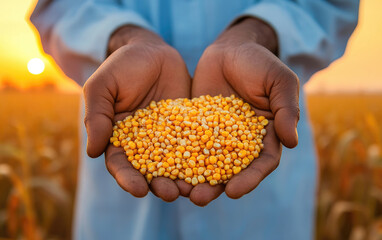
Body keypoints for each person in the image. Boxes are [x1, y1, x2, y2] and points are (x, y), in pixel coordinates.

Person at [30, 1, 359, 239]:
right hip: (122, 210)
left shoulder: (242, 128)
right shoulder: (142, 131)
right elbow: (58, 8)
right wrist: (122, 37)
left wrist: (260, 32)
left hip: (264, 208)